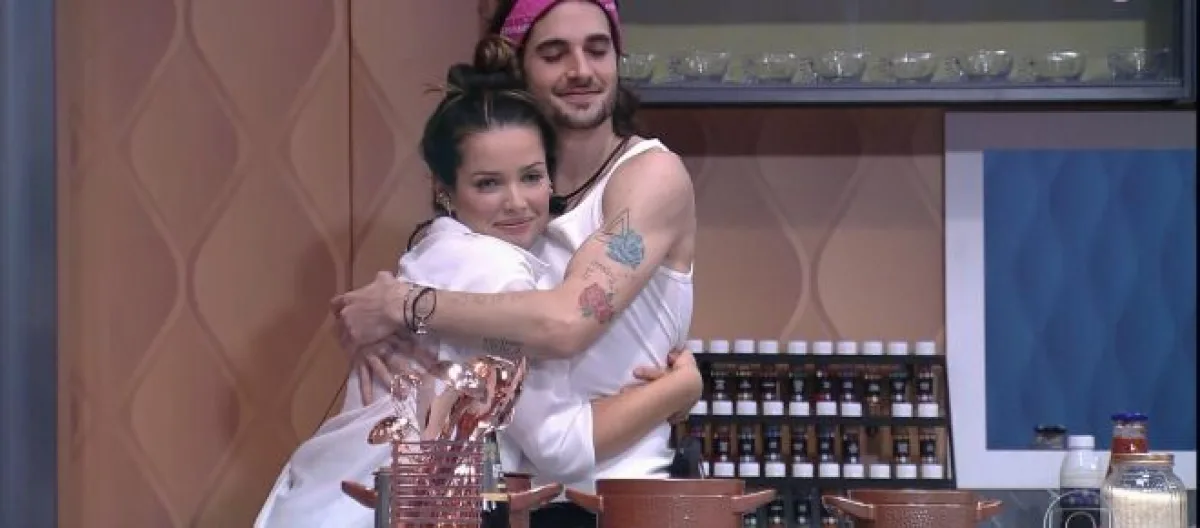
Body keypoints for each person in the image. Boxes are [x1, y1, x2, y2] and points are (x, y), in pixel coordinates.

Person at [256, 36, 701, 528]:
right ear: (445, 190)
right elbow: (560, 445)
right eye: (488, 183)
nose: (516, 202)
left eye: (531, 177)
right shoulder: (492, 272)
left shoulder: (438, 251)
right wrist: (679, 388)